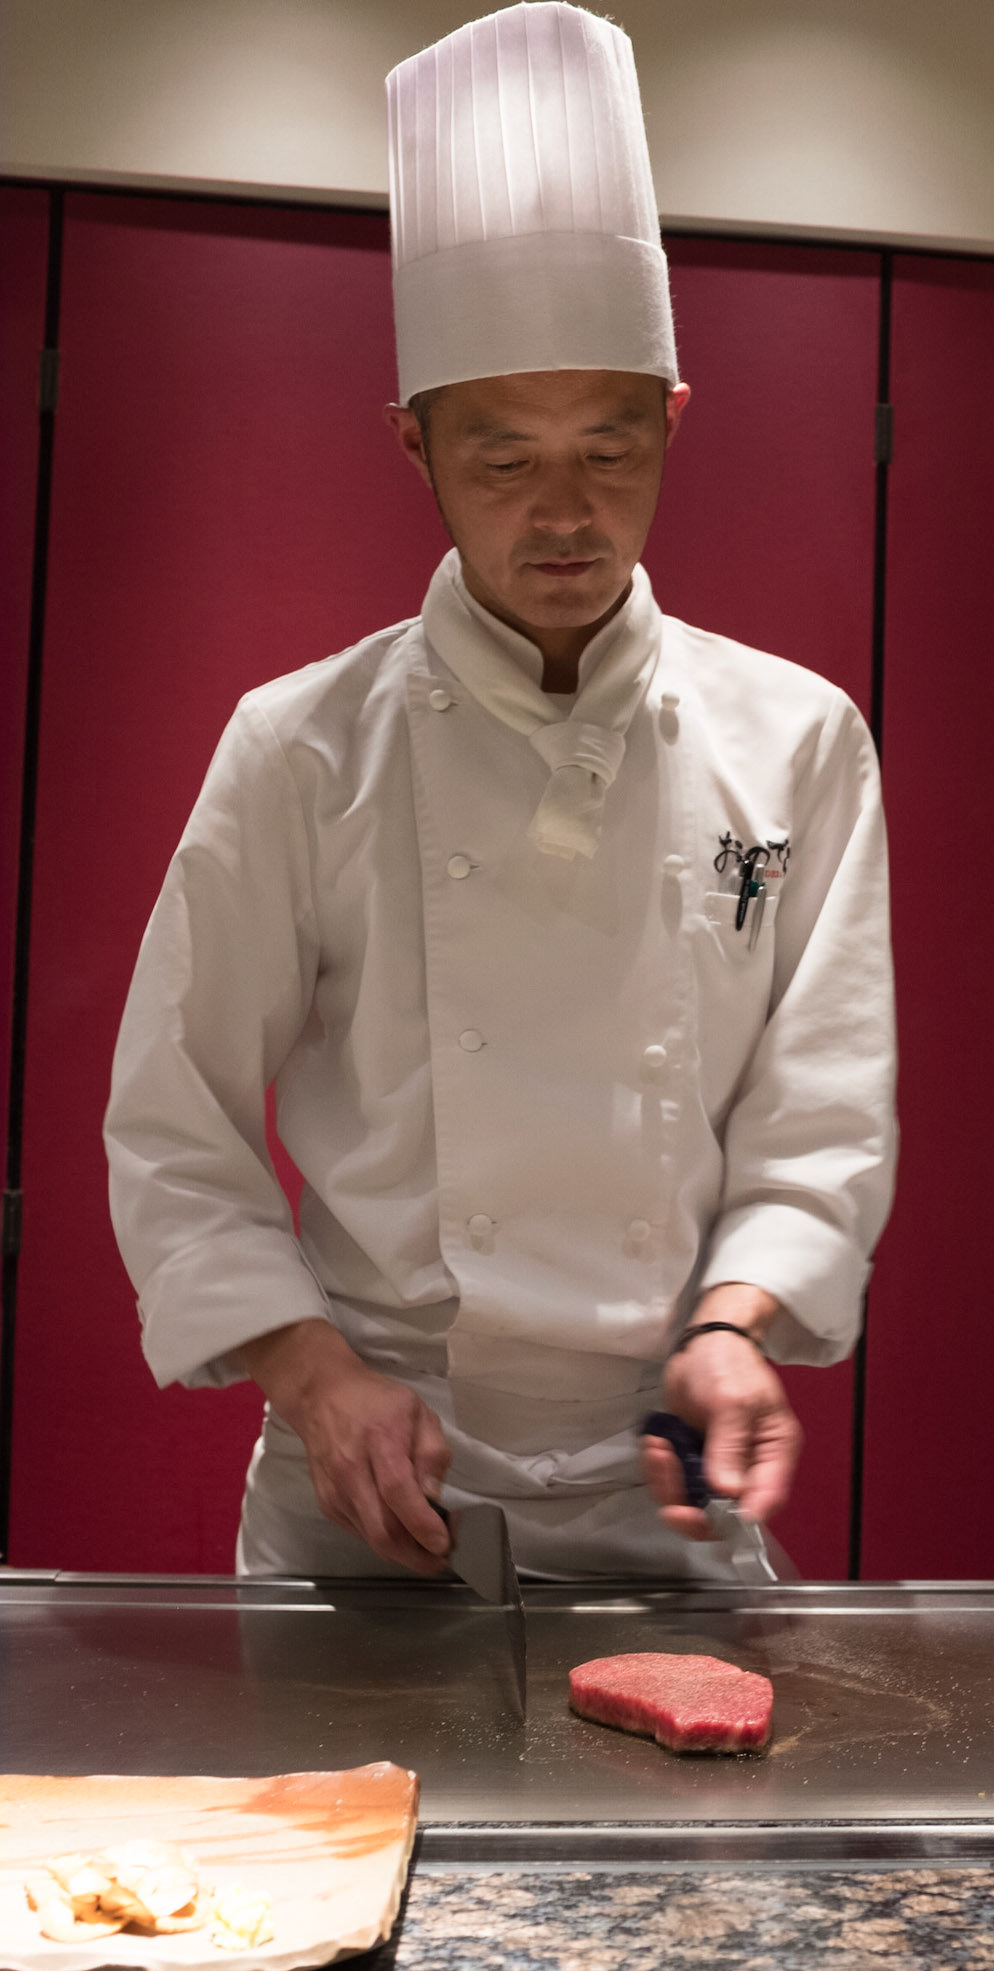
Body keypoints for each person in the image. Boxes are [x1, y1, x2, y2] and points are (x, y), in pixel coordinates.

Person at [104, 1, 897, 1581]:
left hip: (665, 1478)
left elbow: (820, 1108)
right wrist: (312, 1375)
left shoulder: (797, 735)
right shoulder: (299, 744)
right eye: (500, 455)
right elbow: (173, 1119)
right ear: (413, 445)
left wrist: (738, 1324)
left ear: (670, 425)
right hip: (373, 1471)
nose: (561, 510)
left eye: (607, 451)